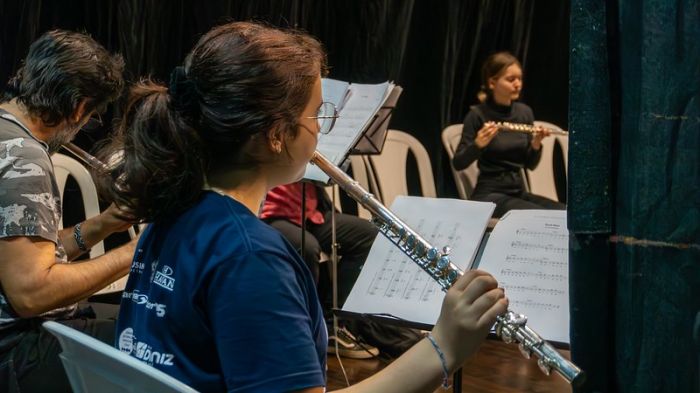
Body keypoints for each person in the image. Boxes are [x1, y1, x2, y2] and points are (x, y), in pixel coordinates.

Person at [106, 21, 508, 392]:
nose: (320, 126)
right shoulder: (252, 258)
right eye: (317, 113)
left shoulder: (170, 216)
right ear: (277, 134)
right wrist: (444, 346)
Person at [0, 30, 138, 392]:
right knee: (152, 336)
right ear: (78, 107)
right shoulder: (23, 157)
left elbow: (24, 255)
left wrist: (104, 225)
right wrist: (136, 252)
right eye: (90, 114)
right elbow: (31, 294)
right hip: (17, 350)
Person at [261, 182, 382, 358]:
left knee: (370, 235)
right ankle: (305, 332)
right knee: (306, 247)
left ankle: (334, 325)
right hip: (270, 215)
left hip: (310, 213)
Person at [452, 51, 565, 218]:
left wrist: (536, 144)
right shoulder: (477, 115)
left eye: (519, 79)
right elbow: (458, 163)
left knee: (565, 213)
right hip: (489, 195)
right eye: (511, 79)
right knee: (541, 217)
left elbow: (530, 165)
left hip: (517, 192)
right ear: (492, 82)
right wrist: (478, 145)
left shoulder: (524, 113)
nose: (517, 84)